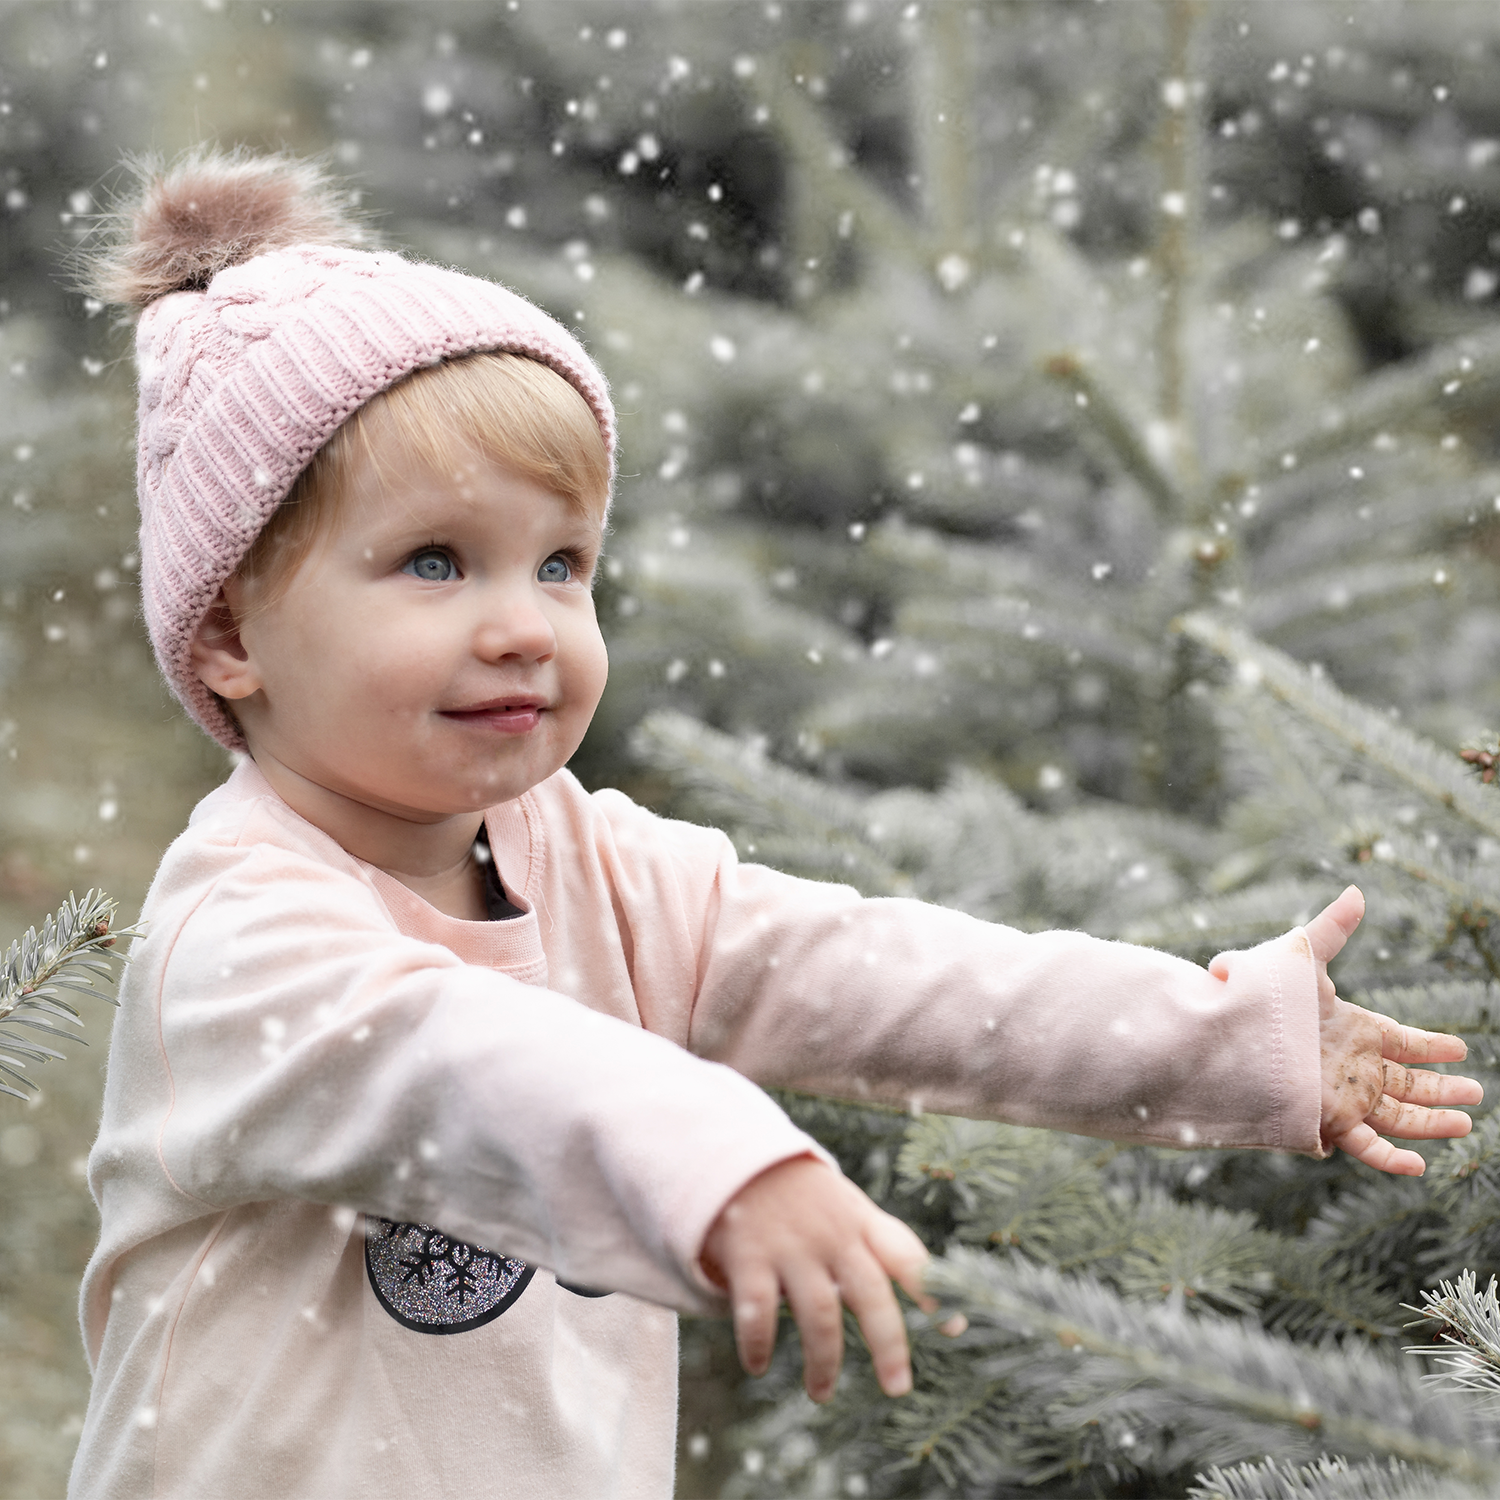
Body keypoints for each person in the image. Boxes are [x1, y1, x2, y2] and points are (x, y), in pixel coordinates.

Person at [68, 150, 1482, 1500]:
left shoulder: (592, 866)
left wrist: (1229, 1040)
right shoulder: (240, 937)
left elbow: (883, 974)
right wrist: (725, 1171)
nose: (523, 626)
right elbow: (470, 1064)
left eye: (562, 565)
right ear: (234, 626)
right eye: (434, 562)